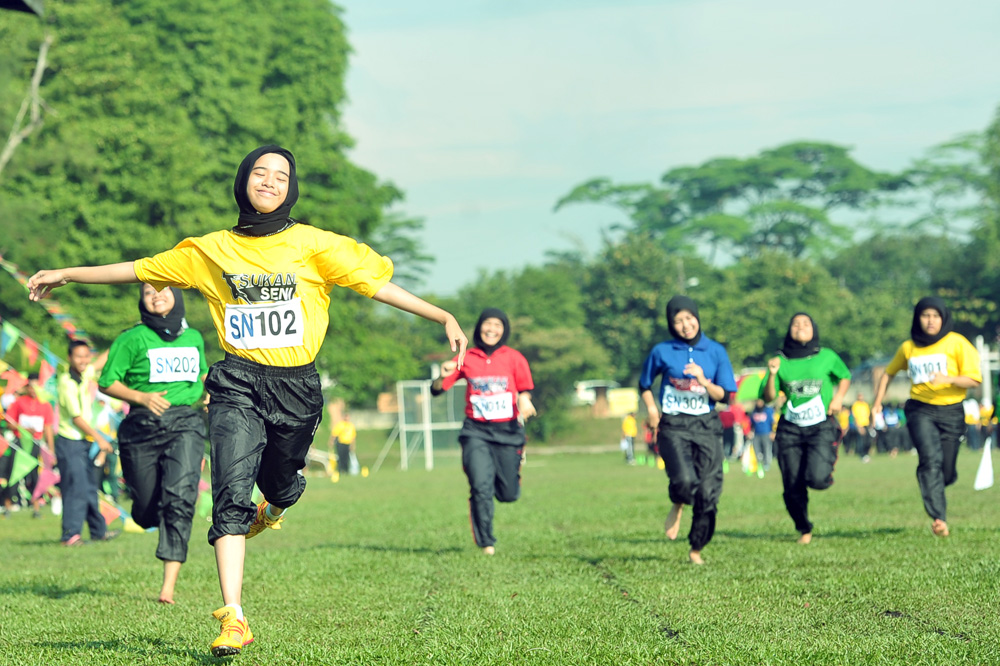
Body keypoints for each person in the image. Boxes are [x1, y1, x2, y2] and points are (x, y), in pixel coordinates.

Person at [27, 144, 468, 657]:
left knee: (280, 483)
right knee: (230, 494)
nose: (270, 181)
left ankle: (278, 502)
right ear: (244, 181)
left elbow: (379, 286)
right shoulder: (208, 250)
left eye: (281, 176)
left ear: (291, 188)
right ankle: (233, 616)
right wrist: (67, 273)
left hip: (296, 386)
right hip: (236, 382)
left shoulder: (314, 244)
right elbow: (136, 268)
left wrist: (441, 315)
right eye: (260, 172)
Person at [97, 284, 208, 604]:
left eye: (163, 289)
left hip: (185, 425)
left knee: (181, 498)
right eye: (148, 291)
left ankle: (168, 588)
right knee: (145, 513)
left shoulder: (194, 338)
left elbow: (201, 375)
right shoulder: (131, 338)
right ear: (141, 300)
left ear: (178, 296)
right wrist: (140, 397)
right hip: (141, 428)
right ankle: (148, 511)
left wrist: (210, 392)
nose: (157, 295)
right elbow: (107, 381)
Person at [639, 296, 737, 565]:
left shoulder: (715, 351)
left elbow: (725, 395)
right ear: (671, 324)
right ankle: (678, 502)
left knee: (708, 491)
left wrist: (704, 380)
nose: (685, 325)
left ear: (697, 317)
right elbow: (645, 385)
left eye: (689, 318)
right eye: (678, 321)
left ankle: (696, 547)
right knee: (683, 480)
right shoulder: (662, 351)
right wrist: (651, 410)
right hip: (673, 425)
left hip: (706, 425)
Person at [872, 297, 981, 538]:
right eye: (925, 315)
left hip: (951, 410)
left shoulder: (957, 343)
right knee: (930, 460)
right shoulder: (908, 347)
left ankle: (938, 483)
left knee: (947, 471)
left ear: (943, 318)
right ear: (917, 319)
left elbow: (974, 379)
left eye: (935, 315)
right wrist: (877, 403)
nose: (930, 321)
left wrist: (948, 379)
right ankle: (939, 518)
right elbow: (887, 374)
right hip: (920, 409)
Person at [431, 308, 535, 556]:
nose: (492, 329)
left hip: (508, 432)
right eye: (487, 324)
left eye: (497, 325)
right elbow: (437, 390)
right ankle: (486, 542)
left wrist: (526, 400)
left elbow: (525, 389)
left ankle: (511, 475)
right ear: (479, 328)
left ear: (504, 330)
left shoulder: (514, 358)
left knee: (508, 494)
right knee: (480, 486)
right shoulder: (466, 358)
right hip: (475, 432)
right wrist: (440, 376)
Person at [761, 313, 851, 544]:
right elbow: (769, 397)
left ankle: (823, 474)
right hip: (790, 428)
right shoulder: (779, 361)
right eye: (795, 324)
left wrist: (838, 398)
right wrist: (772, 375)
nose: (800, 327)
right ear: (789, 330)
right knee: (792, 484)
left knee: (817, 479)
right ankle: (804, 528)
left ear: (814, 329)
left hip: (821, 425)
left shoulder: (826, 356)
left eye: (806, 323)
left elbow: (845, 376)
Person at [55, 341, 116, 545]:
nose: (83, 360)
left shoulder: (83, 374)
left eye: (86, 356)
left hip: (82, 442)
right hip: (69, 441)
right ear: (70, 358)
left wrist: (125, 338)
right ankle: (70, 535)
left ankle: (98, 531)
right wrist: (100, 438)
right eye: (78, 356)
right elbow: (76, 418)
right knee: (76, 488)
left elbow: (100, 362)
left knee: (90, 487)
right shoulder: (67, 382)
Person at [4, 372, 55, 518]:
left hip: (35, 444)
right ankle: (8, 506)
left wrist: (51, 451)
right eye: (31, 387)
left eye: (36, 387)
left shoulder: (45, 405)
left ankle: (36, 508)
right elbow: (9, 423)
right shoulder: (19, 402)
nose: (33, 390)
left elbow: (48, 429)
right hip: (20, 442)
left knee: (35, 476)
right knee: (13, 473)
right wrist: (24, 429)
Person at [749, 399, 775, 472]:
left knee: (767, 449)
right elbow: (751, 424)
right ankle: (758, 464)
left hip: (766, 433)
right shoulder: (754, 411)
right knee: (756, 450)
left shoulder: (768, 410)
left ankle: (767, 464)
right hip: (757, 434)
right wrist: (751, 432)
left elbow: (772, 422)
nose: (759, 403)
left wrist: (772, 432)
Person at [850, 393, 872, 461]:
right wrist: (859, 427)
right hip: (860, 425)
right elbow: (854, 417)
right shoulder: (855, 405)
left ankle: (866, 454)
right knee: (861, 441)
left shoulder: (865, 405)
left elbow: (868, 415)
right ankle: (862, 455)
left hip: (866, 424)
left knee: (868, 440)